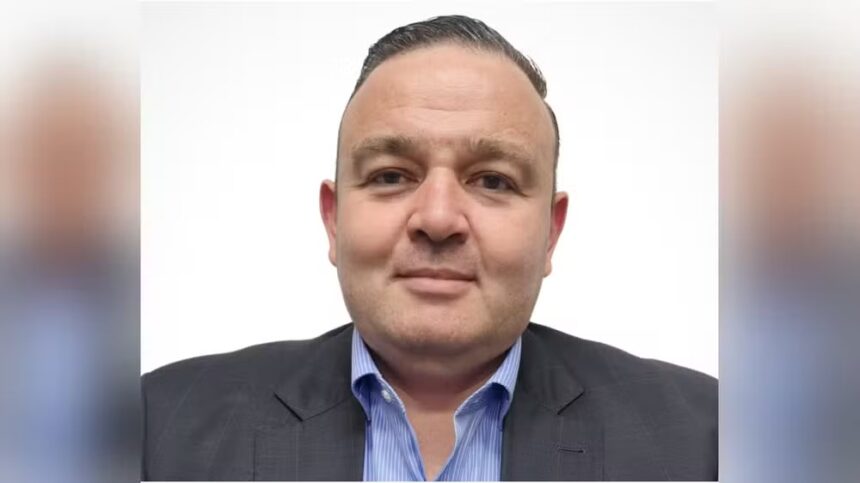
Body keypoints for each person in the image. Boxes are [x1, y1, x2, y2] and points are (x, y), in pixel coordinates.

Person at [142, 15, 717, 481]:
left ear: (551, 231)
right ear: (334, 219)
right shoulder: (154, 430)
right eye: (391, 176)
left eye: (493, 180)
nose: (438, 219)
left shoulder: (708, 442)